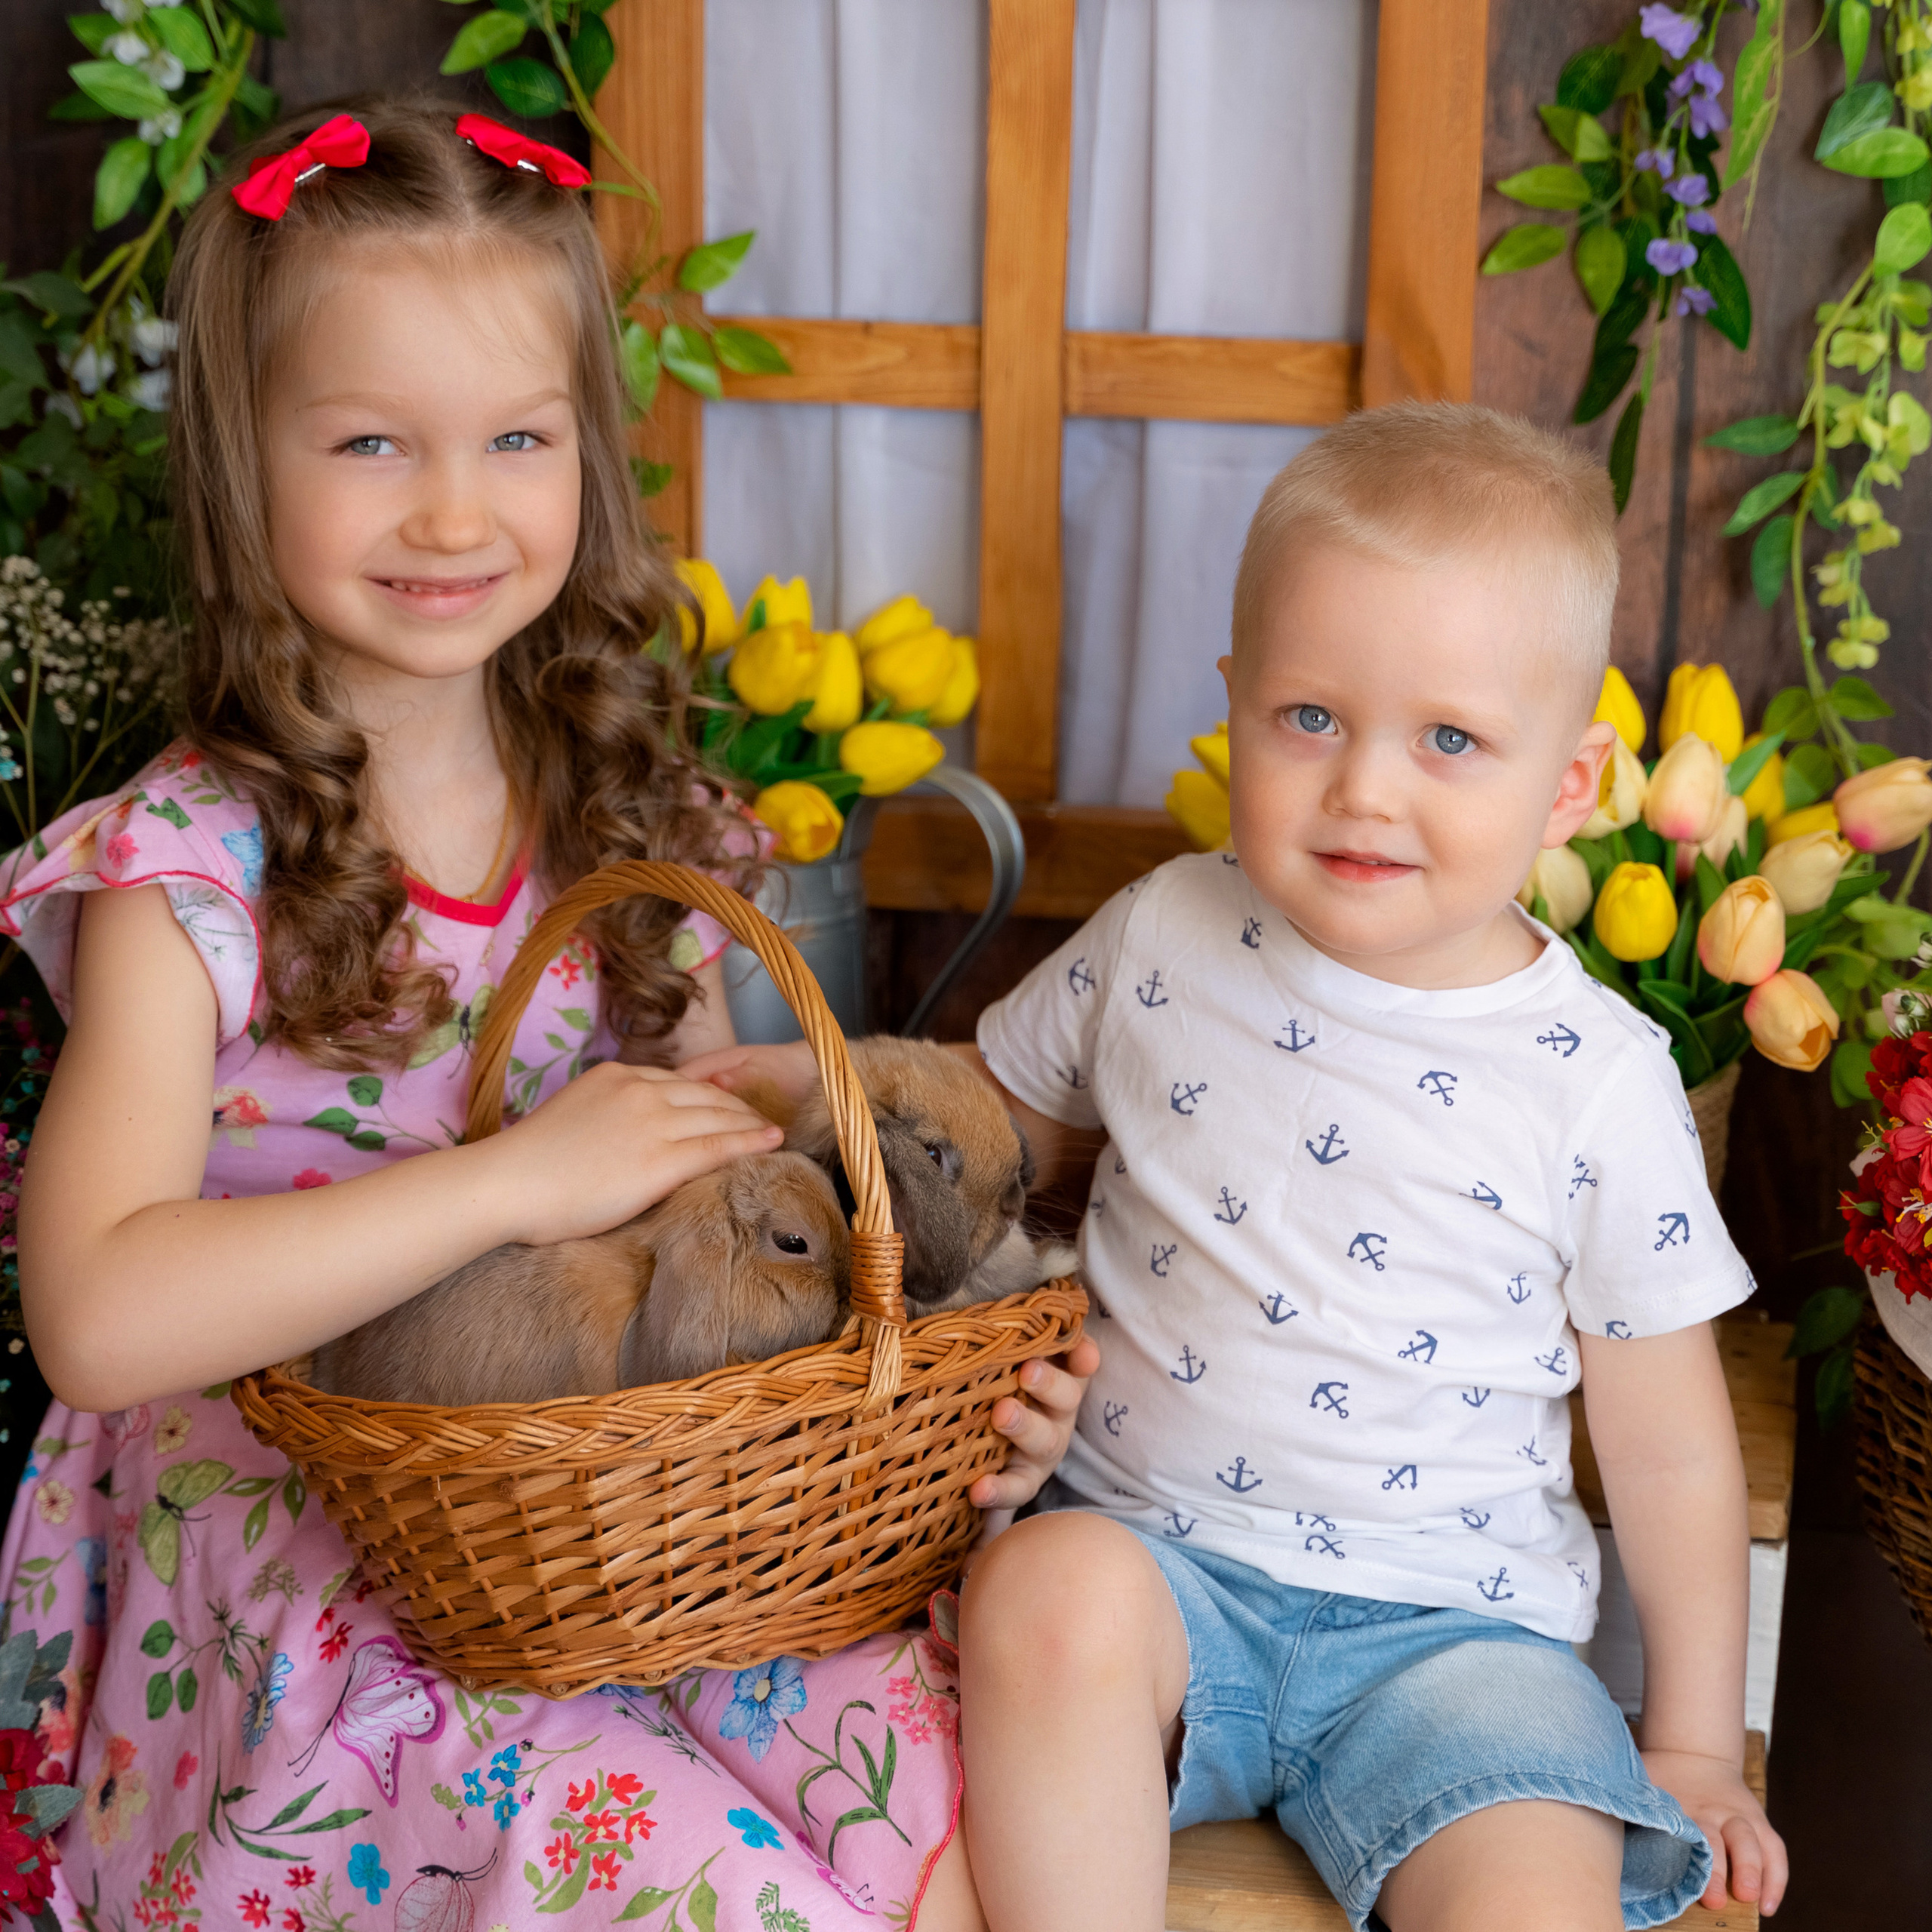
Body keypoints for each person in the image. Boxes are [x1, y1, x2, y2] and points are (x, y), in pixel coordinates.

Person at [0, 102, 1082, 1930]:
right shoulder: (180, 872)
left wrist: (936, 1380)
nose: (453, 508)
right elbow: (98, 1316)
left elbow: (727, 1216)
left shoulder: (628, 814)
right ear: (241, 464)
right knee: (660, 1866)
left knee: (944, 1781)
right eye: (368, 442)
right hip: (288, 1526)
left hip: (615, 1504)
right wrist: (508, 1185)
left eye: (517, 436)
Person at [701, 402, 1791, 1930]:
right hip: (1160, 1571)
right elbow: (992, 1122)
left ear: (1568, 783)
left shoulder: (1593, 1076)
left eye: (1450, 739)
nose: (1362, 787)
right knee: (1038, 1596)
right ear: (1232, 700)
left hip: (1454, 1640)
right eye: (1309, 717)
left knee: (1533, 1882)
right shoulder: (1163, 930)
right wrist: (797, 1075)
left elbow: (1672, 1449)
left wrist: (1687, 1737)